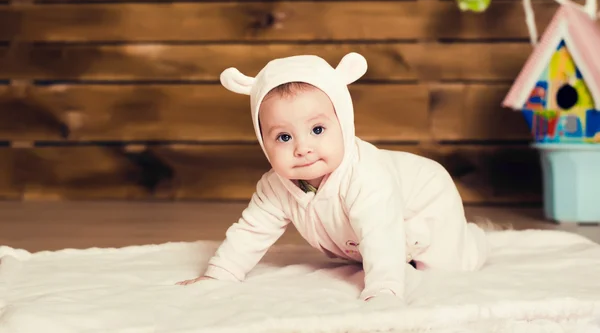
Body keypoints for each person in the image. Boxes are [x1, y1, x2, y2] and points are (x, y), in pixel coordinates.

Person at [176, 52, 489, 303]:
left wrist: (384, 289)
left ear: (345, 124)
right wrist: (219, 274)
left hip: (425, 200)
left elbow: (380, 234)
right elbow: (251, 231)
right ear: (263, 141)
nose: (303, 148)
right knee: (366, 254)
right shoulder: (275, 186)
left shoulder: (366, 177)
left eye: (317, 130)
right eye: (284, 137)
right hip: (360, 235)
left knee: (446, 268)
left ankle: (474, 241)